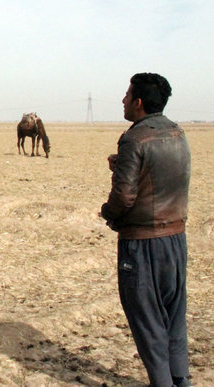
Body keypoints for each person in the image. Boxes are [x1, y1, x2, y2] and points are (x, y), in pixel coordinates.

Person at [101, 73, 192, 387]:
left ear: (138, 102)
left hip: (142, 245)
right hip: (176, 240)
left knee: (148, 321)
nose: (123, 100)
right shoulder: (177, 132)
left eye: (127, 95)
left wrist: (108, 214)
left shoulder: (135, 138)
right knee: (174, 317)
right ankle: (182, 380)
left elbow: (124, 196)